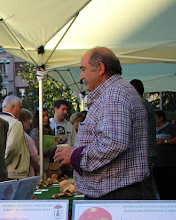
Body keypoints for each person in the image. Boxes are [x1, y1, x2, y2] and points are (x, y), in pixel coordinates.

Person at [54, 47, 148, 200]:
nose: (81, 76)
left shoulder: (114, 94)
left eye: (83, 69)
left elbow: (113, 143)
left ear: (100, 68)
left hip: (113, 195)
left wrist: (75, 155)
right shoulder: (116, 92)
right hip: (114, 191)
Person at [130, 79, 157, 199]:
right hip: (147, 151)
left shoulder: (139, 104)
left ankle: (149, 213)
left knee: (145, 189)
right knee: (144, 187)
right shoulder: (145, 104)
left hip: (144, 152)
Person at [0, 95, 30, 179]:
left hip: (1, 172)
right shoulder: (16, 123)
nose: (21, 111)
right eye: (20, 108)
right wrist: (0, 167)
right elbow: (11, 148)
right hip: (15, 173)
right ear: (13, 107)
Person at [154, 110, 176, 200]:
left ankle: (174, 206)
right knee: (160, 188)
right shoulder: (153, 130)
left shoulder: (171, 127)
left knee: (171, 188)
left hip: (170, 164)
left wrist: (166, 141)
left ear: (161, 117)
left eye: (154, 117)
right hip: (157, 164)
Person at [30, 106, 57, 177]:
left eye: (47, 115)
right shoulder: (36, 132)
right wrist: (53, 147)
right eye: (43, 116)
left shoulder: (50, 130)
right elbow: (38, 150)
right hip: (41, 167)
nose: (46, 118)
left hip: (52, 166)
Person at [19, 108, 40, 177]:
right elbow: (34, 156)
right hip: (28, 173)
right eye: (28, 120)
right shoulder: (27, 138)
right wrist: (39, 168)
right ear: (22, 121)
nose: (30, 122)